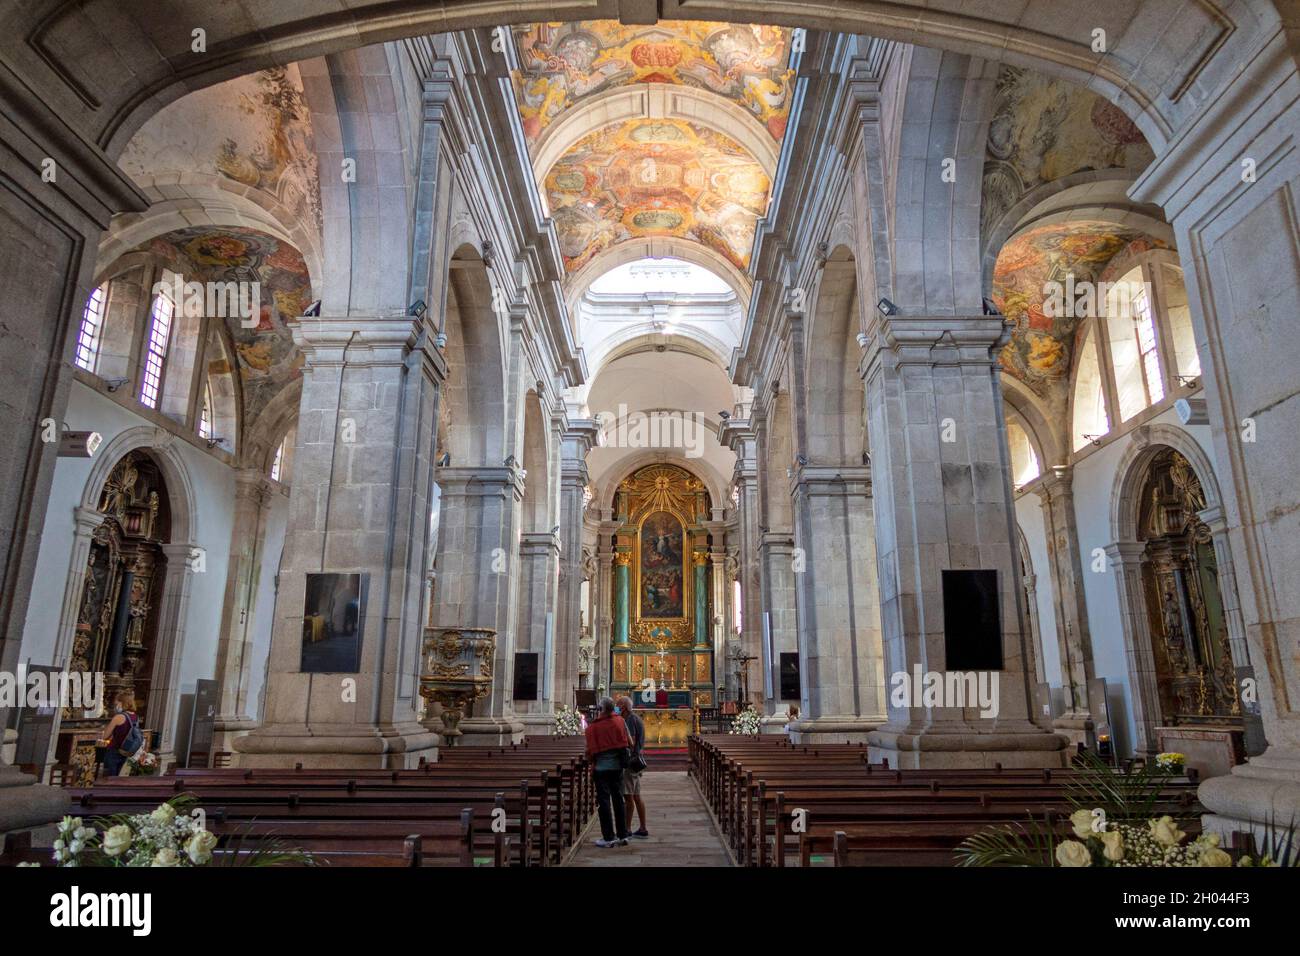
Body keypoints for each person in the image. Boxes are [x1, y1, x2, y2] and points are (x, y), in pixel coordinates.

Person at [584, 696, 630, 847]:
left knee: (604, 802)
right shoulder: (620, 721)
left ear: (601, 709)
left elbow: (590, 752)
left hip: (601, 769)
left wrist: (591, 757)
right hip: (617, 768)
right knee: (619, 800)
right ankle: (623, 835)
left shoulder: (593, 728)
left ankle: (609, 837)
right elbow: (628, 742)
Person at [618, 695, 649, 838]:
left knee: (628, 797)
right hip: (636, 761)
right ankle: (642, 828)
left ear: (624, 707)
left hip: (630, 763)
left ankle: (627, 829)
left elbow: (631, 742)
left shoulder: (629, 720)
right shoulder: (634, 718)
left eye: (618, 705)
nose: (616, 707)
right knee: (636, 796)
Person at [99, 691, 140, 777]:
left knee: (109, 779)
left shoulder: (119, 717)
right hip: (127, 752)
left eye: (117, 703)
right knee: (120, 779)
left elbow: (105, 736)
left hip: (114, 752)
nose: (116, 705)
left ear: (122, 703)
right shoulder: (135, 717)